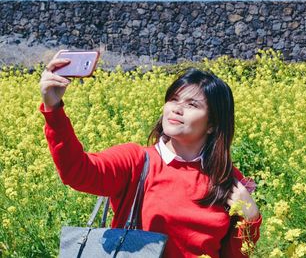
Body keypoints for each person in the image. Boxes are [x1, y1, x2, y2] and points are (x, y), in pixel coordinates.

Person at [39, 53, 262, 257]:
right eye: (173, 100)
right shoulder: (137, 162)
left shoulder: (227, 178)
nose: (176, 108)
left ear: (212, 124)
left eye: (192, 104)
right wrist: (54, 109)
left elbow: (235, 255)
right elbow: (78, 171)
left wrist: (250, 218)